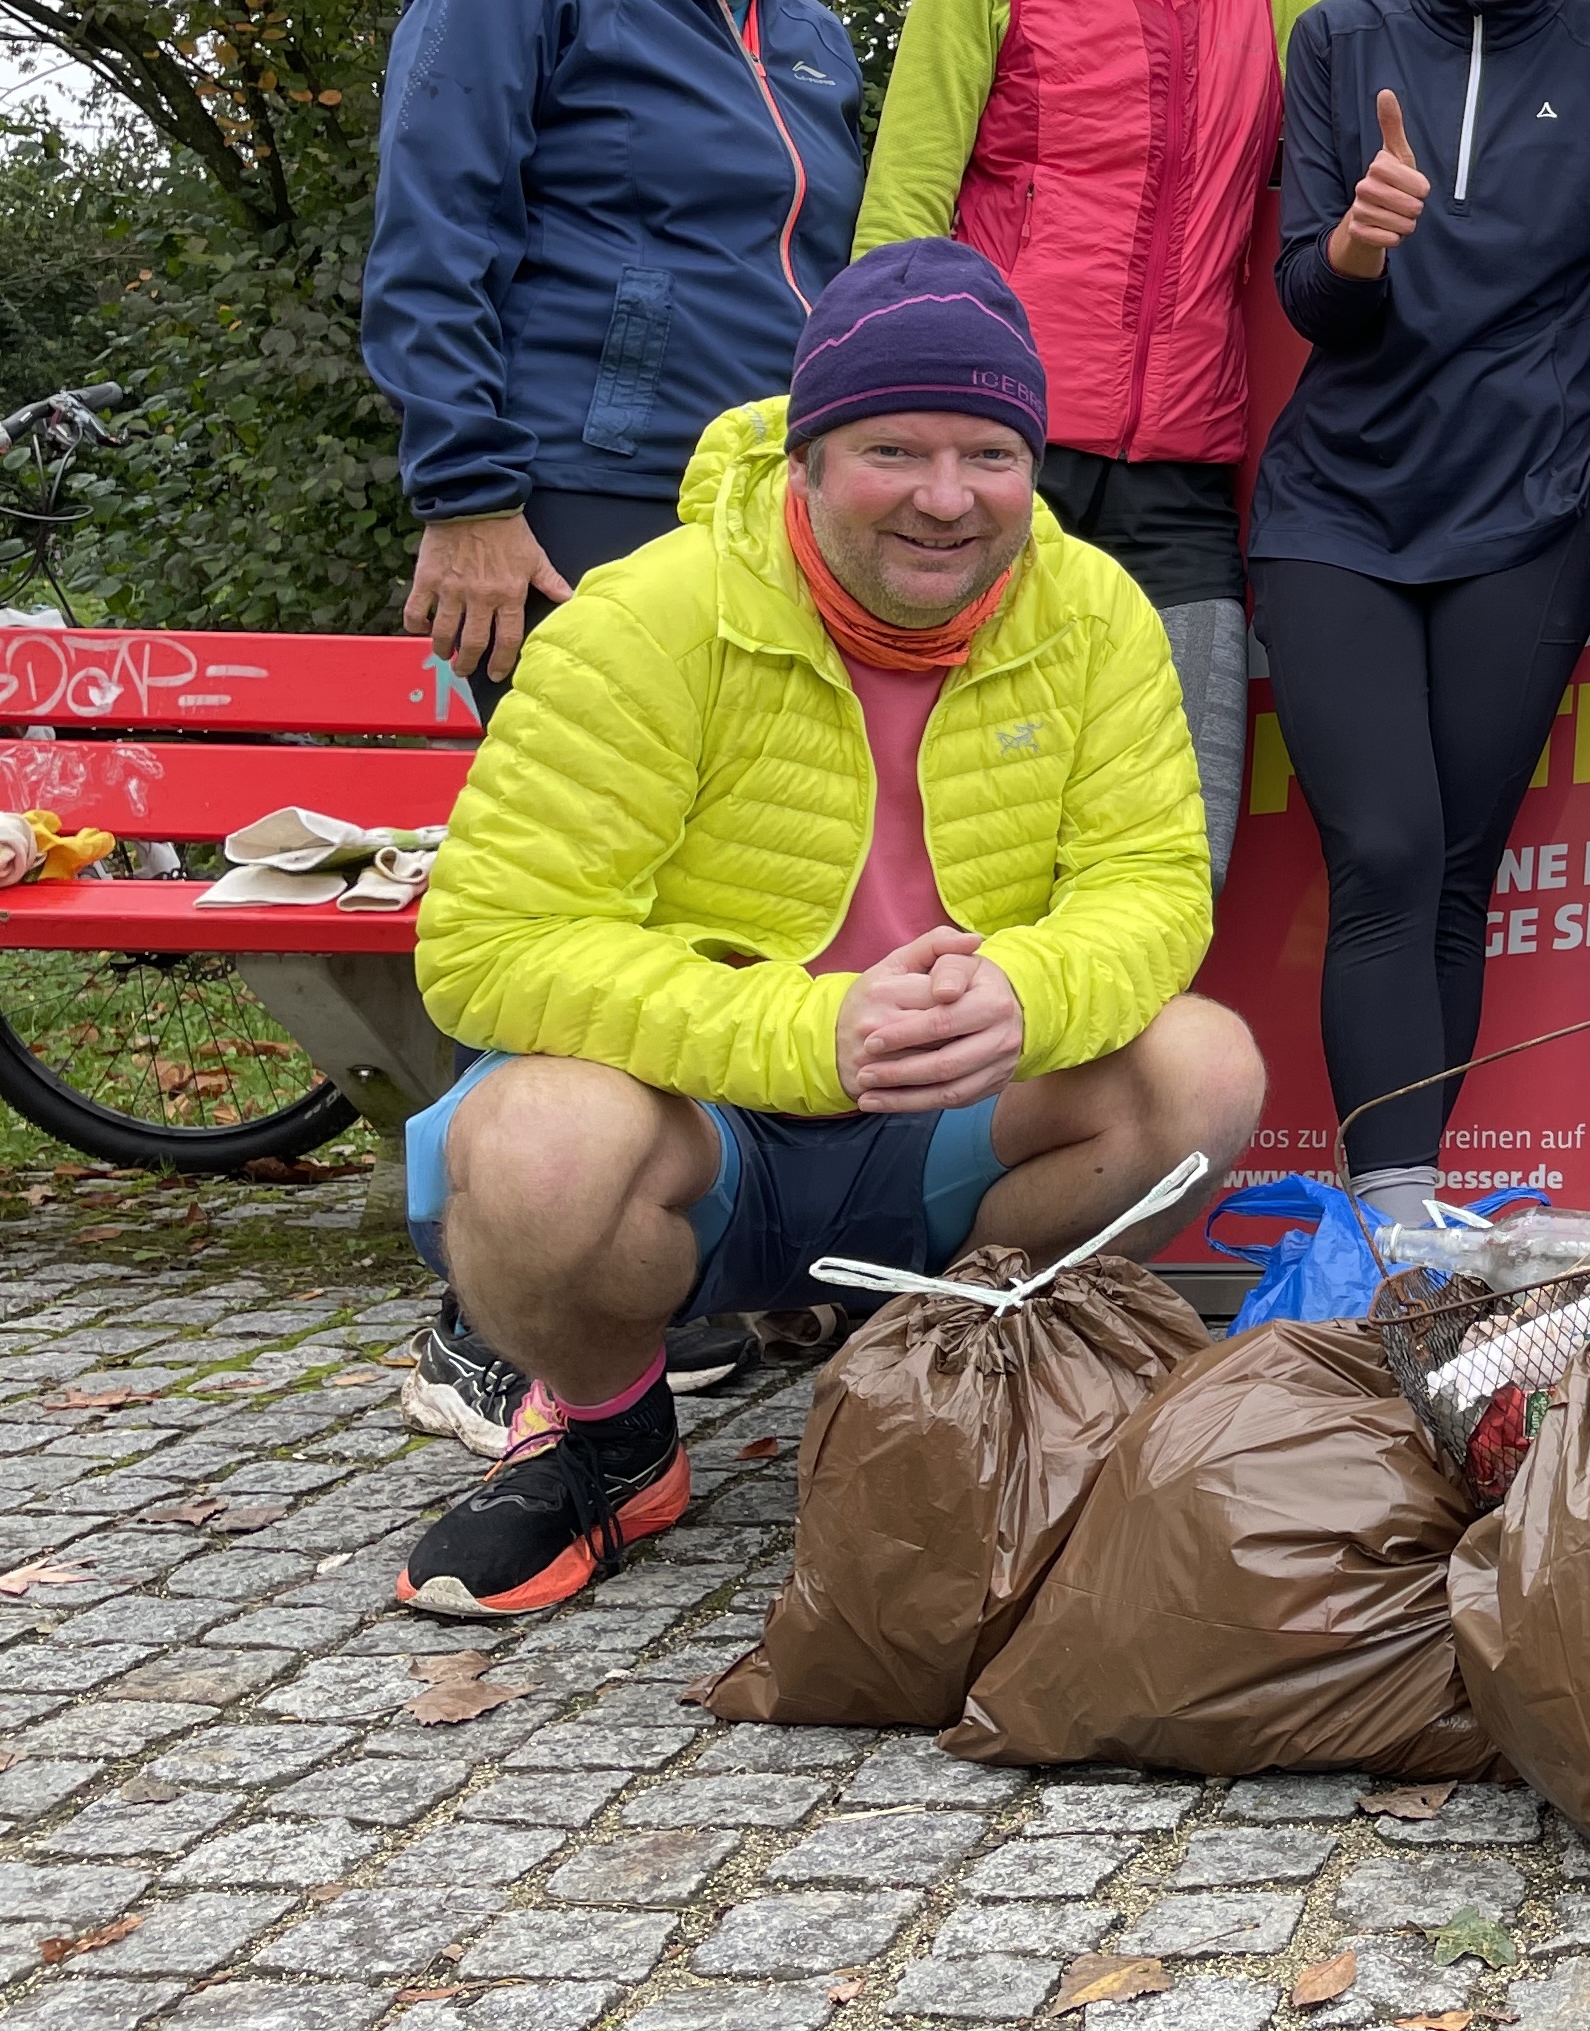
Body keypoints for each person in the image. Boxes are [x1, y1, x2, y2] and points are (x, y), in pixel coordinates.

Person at [393, 242, 1260, 1618]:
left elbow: (1151, 889)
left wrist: (1027, 993)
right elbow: (491, 943)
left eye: (989, 453)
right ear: (803, 458)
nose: (944, 497)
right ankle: (612, 1440)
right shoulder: (647, 616)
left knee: (1204, 1069)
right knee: (532, 1152)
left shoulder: (1095, 609)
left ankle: (923, 1379)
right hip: (709, 1118)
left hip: (948, 1113)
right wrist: (809, 1028)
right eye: (892, 450)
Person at [364, 0, 863, 1454]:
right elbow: (433, 230)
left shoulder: (799, 27)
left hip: (755, 512)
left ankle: (673, 1273)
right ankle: (490, 1315)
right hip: (568, 493)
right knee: (576, 899)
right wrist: (466, 488)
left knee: (727, 894)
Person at [1254, 0, 1590, 1225]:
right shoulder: (1342, 41)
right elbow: (1313, 298)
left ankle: (1413, 1224)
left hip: (1527, 523)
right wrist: (1362, 243)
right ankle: (1386, 1225)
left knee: (1456, 869)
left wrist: (1586, 490)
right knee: (1383, 847)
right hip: (1336, 516)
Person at [856, 0, 1321, 880]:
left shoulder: (1280, 0)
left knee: (1178, 849)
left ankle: (1119, 1077)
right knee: (961, 844)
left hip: (1183, 483)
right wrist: (884, 444)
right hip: (998, 467)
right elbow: (901, 221)